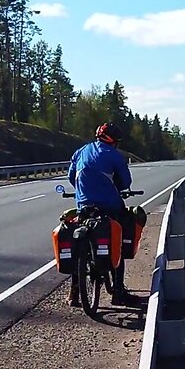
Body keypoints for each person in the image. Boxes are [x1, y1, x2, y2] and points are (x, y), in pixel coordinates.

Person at [68, 122, 134, 306]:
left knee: (76, 241)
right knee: (119, 238)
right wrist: (111, 189)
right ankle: (118, 292)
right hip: (109, 206)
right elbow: (126, 181)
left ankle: (74, 293)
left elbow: (71, 177)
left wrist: (84, 192)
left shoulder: (80, 151)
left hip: (84, 206)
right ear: (114, 141)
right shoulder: (114, 155)